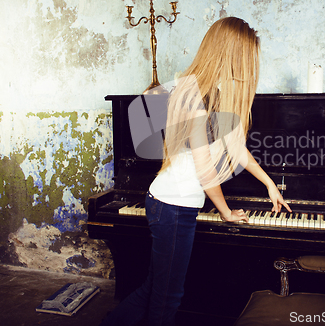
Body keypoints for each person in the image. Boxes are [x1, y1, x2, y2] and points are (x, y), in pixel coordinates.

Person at [100, 17, 291, 326]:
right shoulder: (196, 98)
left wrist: (270, 184)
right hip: (172, 207)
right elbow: (204, 170)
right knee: (168, 297)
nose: (247, 68)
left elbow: (237, 149)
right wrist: (226, 212)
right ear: (229, 54)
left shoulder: (213, 93)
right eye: (244, 58)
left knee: (153, 289)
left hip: (170, 204)